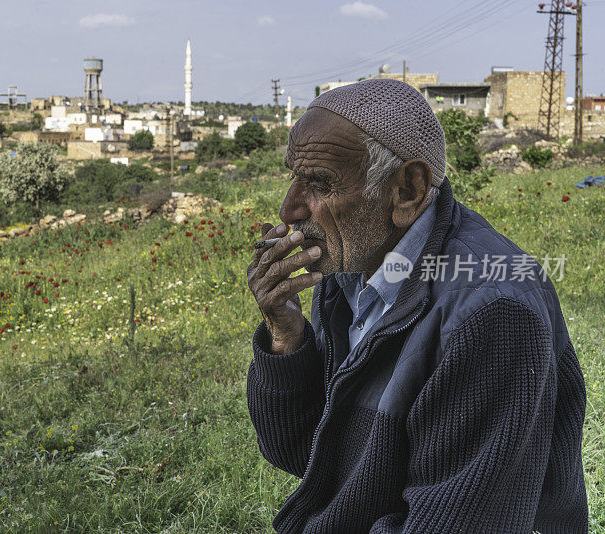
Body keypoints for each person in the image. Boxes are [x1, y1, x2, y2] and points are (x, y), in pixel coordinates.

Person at [246, 79, 588, 533]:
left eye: (319, 185)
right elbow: (310, 457)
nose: (290, 211)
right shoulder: (352, 272)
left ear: (408, 189)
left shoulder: (493, 312)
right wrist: (286, 337)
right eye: (294, 177)